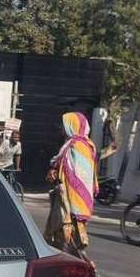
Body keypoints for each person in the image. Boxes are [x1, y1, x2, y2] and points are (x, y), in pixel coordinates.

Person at [44, 112, 101, 268]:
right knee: (67, 241)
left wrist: (55, 169)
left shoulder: (75, 145)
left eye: (64, 125)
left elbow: (74, 176)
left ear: (72, 126)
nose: (61, 129)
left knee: (67, 240)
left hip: (70, 200)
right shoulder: (88, 145)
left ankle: (90, 274)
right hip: (76, 200)